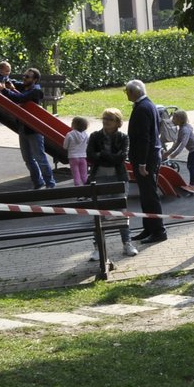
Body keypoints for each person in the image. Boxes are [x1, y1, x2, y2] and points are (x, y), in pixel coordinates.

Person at [87, 107, 140, 259]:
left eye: (109, 119)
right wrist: (109, 156)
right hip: (99, 177)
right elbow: (90, 156)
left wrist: (102, 155)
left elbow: (121, 158)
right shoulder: (95, 136)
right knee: (99, 214)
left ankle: (127, 243)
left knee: (121, 213)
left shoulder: (123, 137)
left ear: (117, 122)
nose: (105, 122)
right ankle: (98, 248)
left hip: (118, 177)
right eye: (104, 118)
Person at [0, 67, 55, 188]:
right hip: (23, 127)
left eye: (27, 77)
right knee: (28, 159)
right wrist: (2, 76)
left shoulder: (35, 91)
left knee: (39, 157)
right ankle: (38, 182)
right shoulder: (24, 86)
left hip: (34, 129)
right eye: (24, 76)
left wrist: (4, 90)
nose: (24, 78)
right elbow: (14, 83)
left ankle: (50, 184)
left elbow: (19, 98)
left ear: (35, 80)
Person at [126, 79, 167, 242]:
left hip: (146, 159)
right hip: (149, 156)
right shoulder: (148, 104)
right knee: (145, 195)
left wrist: (142, 163)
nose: (126, 94)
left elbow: (144, 138)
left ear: (133, 92)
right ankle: (148, 228)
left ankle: (159, 231)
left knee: (150, 196)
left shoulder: (142, 108)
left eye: (127, 92)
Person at [164, 110, 194, 188]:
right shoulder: (181, 128)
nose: (172, 120)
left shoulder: (185, 130)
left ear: (180, 120)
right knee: (191, 166)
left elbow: (183, 144)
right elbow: (177, 142)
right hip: (193, 150)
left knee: (191, 166)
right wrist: (168, 152)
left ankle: (191, 185)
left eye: (174, 118)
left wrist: (174, 154)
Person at [66, 116, 92, 186]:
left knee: (76, 175)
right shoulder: (86, 135)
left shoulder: (69, 134)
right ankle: (87, 189)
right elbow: (88, 144)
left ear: (74, 124)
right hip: (83, 157)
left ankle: (77, 189)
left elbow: (65, 146)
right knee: (84, 175)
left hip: (73, 157)